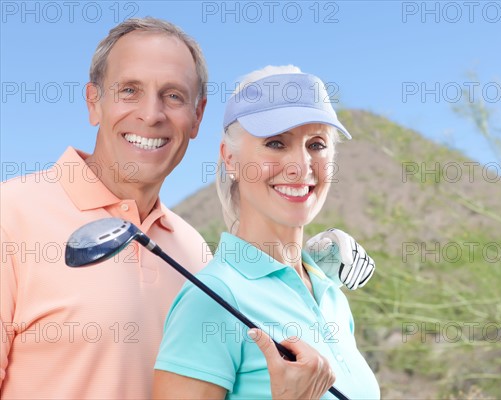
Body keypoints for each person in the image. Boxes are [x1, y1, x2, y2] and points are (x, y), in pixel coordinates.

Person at [0, 19, 374, 399]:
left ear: (197, 116)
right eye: (129, 90)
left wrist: (315, 264)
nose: (151, 114)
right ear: (93, 101)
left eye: (174, 96)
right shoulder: (9, 216)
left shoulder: (192, 250)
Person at [153, 66, 380, 399]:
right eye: (276, 143)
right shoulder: (213, 298)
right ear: (229, 158)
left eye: (316, 145)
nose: (300, 166)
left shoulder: (331, 296)